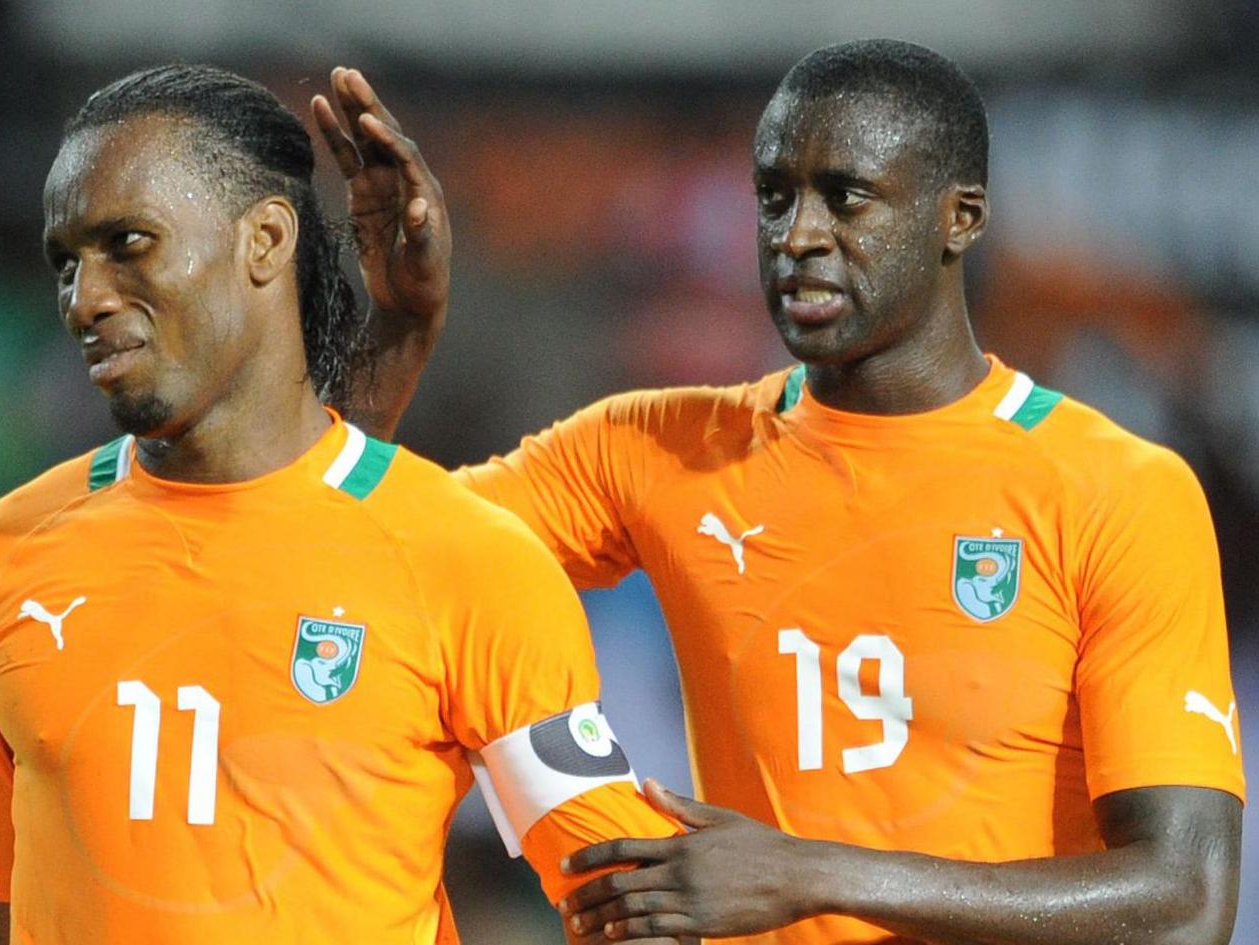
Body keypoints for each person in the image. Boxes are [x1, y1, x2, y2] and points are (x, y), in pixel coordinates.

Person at [319, 40, 1245, 945]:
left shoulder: (1119, 490)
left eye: (845, 198)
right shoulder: (655, 446)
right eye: (774, 197)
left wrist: (807, 872)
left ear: (959, 217)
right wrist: (398, 331)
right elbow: (363, 552)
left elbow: (1183, 899)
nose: (796, 236)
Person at [0, 64, 677, 945]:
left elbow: (630, 900)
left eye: (129, 243)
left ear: (267, 240)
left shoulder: (468, 558)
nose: (85, 299)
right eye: (66, 262)